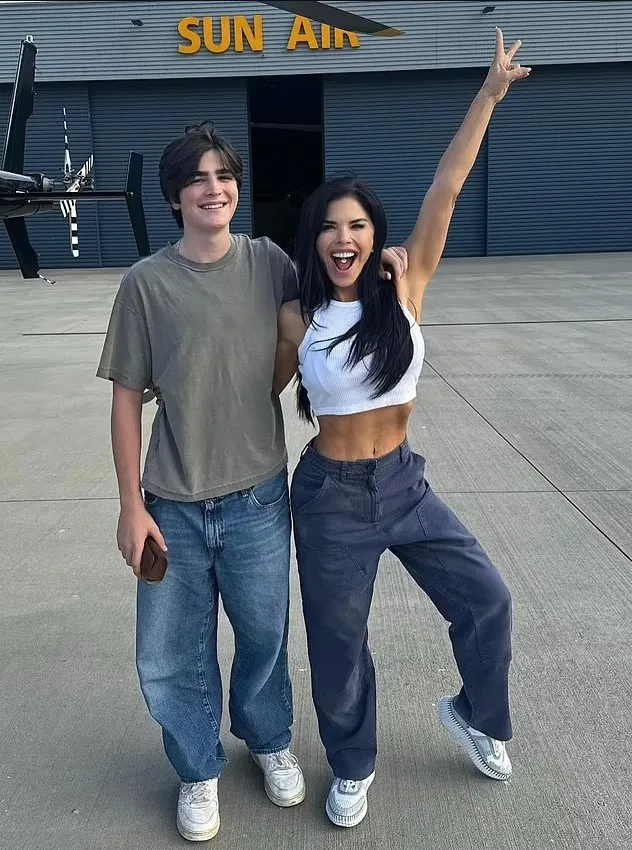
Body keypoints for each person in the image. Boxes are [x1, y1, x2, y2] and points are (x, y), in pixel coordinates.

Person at [96, 121, 399, 842]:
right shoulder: (145, 284)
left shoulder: (268, 263)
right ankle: (198, 769)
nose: (214, 189)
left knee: (264, 636)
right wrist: (130, 505)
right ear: (174, 196)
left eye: (224, 176)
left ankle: (268, 741)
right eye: (197, 178)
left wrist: (381, 262)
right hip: (172, 502)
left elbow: (332, 283)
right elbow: (126, 399)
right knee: (171, 654)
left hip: (258, 498)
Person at [273, 29, 530, 828]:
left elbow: (448, 188)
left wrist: (487, 94)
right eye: (330, 227)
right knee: (338, 644)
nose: (344, 238)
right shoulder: (297, 316)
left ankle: (477, 713)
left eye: (357, 225)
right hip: (329, 496)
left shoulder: (405, 283)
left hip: (405, 483)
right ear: (314, 239)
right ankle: (353, 765)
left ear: (373, 232)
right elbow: (254, 395)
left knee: (487, 600)